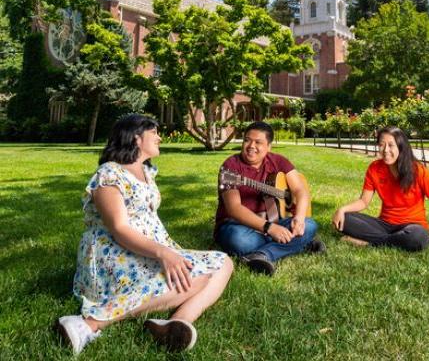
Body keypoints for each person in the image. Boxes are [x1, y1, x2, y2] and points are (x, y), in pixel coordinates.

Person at [55, 114, 233, 355]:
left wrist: (167, 252)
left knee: (223, 263)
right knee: (196, 277)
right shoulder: (110, 174)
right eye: (154, 133)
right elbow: (119, 229)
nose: (159, 137)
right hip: (114, 255)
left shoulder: (147, 172)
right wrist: (164, 253)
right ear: (136, 138)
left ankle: (177, 322)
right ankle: (88, 324)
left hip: (148, 248)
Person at [215, 121, 325, 276]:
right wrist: (269, 229)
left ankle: (263, 255)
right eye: (247, 140)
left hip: (275, 222)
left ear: (269, 147)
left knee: (310, 224)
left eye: (258, 142)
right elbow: (234, 208)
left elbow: (300, 190)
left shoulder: (278, 161)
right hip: (239, 226)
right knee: (239, 240)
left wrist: (299, 218)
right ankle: (298, 244)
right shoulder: (230, 167)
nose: (251, 146)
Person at [333, 126, 429, 251]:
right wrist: (342, 210)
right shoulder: (374, 168)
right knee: (345, 219)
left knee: (416, 237)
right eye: (381, 145)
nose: (385, 150)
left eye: (391, 145)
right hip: (384, 225)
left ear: (401, 147)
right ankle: (388, 240)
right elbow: (363, 202)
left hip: (413, 226)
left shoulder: (419, 171)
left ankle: (369, 242)